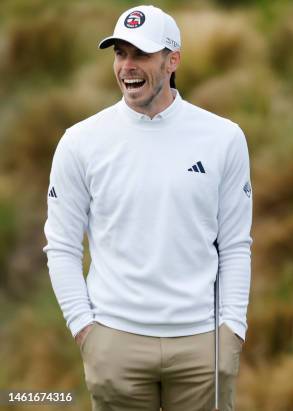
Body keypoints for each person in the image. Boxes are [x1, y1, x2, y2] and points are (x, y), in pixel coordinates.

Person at [43, 5, 252, 410]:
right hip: (115, 343)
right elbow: (62, 246)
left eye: (140, 54)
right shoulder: (80, 141)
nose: (127, 66)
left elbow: (236, 244)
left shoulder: (224, 137)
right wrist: (85, 331)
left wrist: (232, 331)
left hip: (202, 346)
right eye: (120, 53)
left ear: (172, 60)